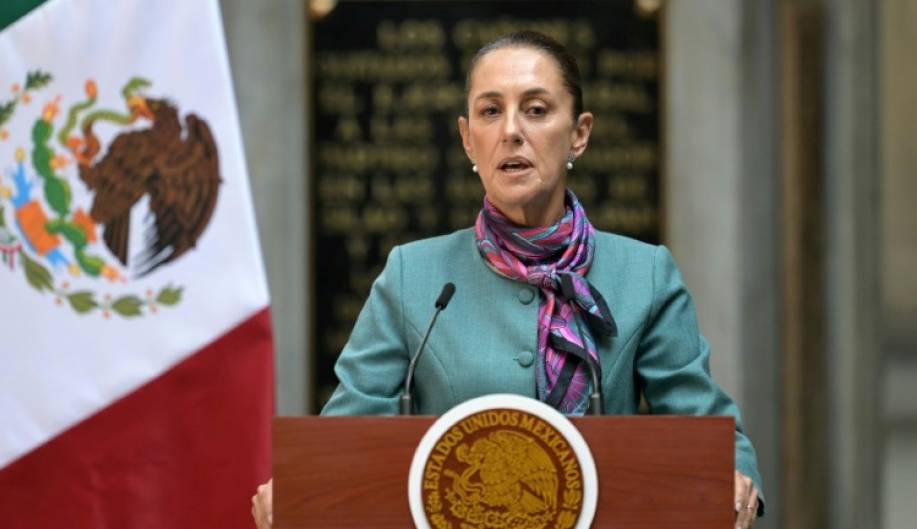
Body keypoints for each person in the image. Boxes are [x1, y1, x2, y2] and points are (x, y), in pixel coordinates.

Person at [252, 30, 763, 529]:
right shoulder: (413, 275)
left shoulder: (644, 273)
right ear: (467, 139)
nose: (511, 131)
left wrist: (733, 478)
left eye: (536, 110)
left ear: (580, 133)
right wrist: (300, 486)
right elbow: (344, 437)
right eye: (490, 111)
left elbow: (708, 430)